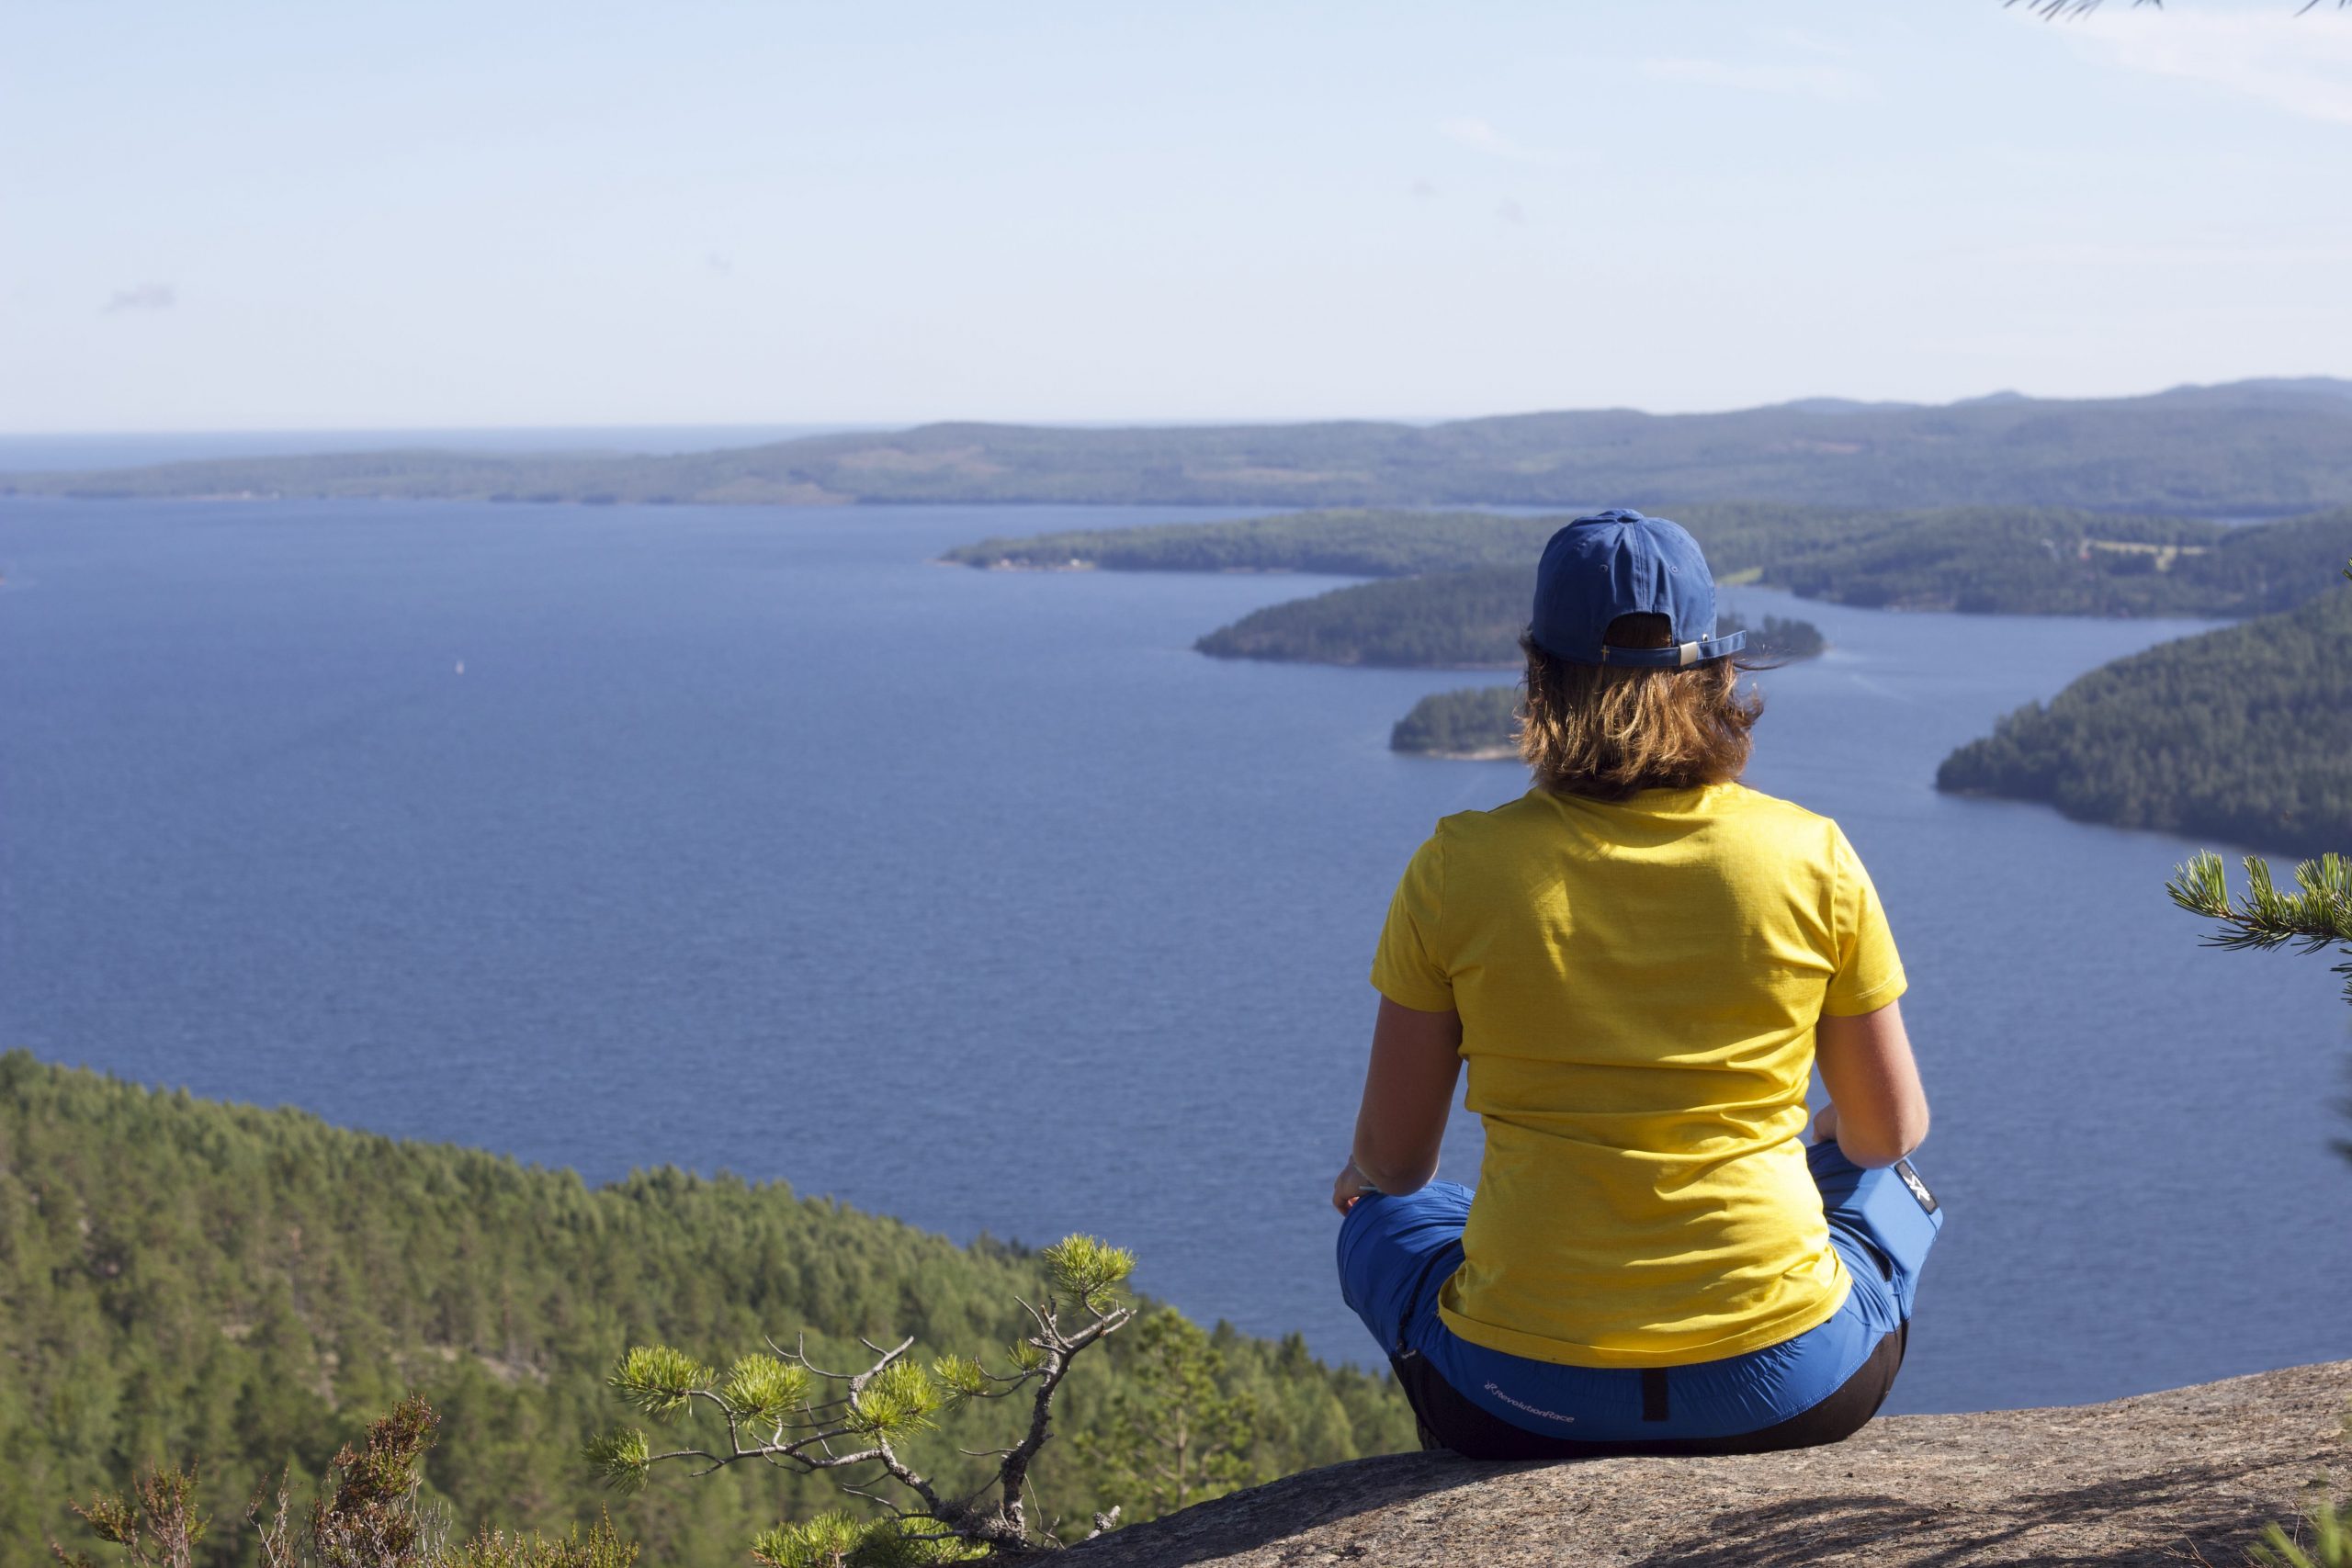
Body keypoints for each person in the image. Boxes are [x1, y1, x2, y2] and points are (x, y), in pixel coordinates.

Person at [1332, 509, 1939, 1460]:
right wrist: (1824, 1129)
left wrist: (1366, 1179)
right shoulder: (1808, 854)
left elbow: (1396, 1163)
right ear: (1717, 678)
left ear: (1541, 677)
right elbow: (1888, 1132)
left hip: (1515, 1392)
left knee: (1390, 1215)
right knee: (1883, 1186)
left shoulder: (1458, 867)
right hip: (1788, 1385)